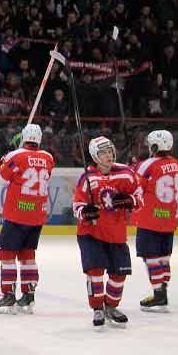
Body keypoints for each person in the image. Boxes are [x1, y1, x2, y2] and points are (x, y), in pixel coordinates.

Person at [73, 136, 142, 327]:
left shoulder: (126, 174)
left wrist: (131, 201)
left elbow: (139, 197)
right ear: (95, 155)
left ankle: (111, 306)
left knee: (119, 274)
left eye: (110, 150)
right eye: (103, 152)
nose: (109, 155)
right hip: (91, 233)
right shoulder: (88, 177)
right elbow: (77, 205)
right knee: (95, 271)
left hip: (116, 233)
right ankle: (97, 307)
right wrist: (85, 212)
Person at [0, 124, 55, 314]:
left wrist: (4, 160)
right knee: (28, 255)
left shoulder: (15, 156)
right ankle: (28, 296)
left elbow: (1, 178)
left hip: (17, 214)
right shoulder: (48, 158)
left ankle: (8, 296)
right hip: (37, 214)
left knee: (7, 254)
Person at [134, 130, 178, 311]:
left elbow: (136, 186)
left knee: (150, 256)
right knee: (164, 256)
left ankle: (159, 293)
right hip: (170, 219)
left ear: (154, 146)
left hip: (150, 219)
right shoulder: (177, 164)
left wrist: (134, 166)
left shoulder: (148, 164)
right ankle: (163, 290)